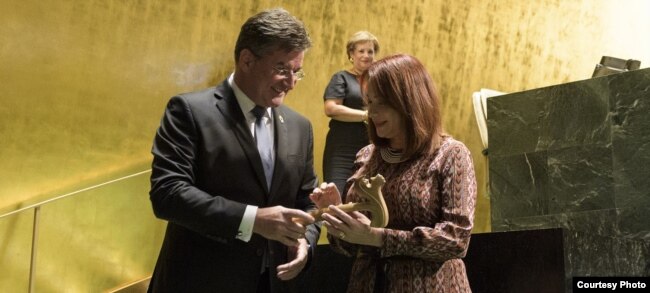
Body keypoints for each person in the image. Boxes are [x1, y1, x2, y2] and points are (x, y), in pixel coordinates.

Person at [147, 8, 319, 292]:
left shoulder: (301, 127)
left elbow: (307, 200)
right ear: (247, 60)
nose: (291, 83)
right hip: (200, 281)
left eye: (297, 72)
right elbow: (168, 193)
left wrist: (305, 241)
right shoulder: (189, 111)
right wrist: (252, 220)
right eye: (281, 69)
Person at [310, 54, 477, 293]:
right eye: (369, 103)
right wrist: (338, 214)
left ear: (410, 102)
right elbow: (347, 247)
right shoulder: (366, 156)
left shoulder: (451, 154)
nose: (372, 112)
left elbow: (456, 241)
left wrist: (377, 237)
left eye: (382, 103)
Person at [322, 31, 380, 198]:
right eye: (361, 51)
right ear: (351, 55)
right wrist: (366, 116)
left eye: (370, 51)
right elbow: (331, 109)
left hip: (371, 152)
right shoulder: (342, 77)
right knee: (337, 200)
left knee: (363, 204)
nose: (366, 55)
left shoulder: (379, 82)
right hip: (342, 151)